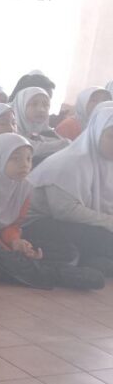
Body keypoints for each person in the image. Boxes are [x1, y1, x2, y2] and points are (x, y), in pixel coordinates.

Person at [0, 132, 102, 290]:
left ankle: (0, 272)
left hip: (2, 240)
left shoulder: (24, 187)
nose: (24, 165)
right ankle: (58, 275)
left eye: (29, 159)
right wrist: (9, 249)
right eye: (15, 159)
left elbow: (13, 225)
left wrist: (16, 242)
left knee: (68, 252)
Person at [23, 105, 113, 276]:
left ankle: (93, 261)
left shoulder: (106, 162)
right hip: (36, 223)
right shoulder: (71, 161)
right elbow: (65, 211)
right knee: (104, 239)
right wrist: (108, 221)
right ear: (96, 132)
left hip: (69, 223)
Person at [12, 86, 69, 165]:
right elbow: (30, 148)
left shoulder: (48, 131)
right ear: (21, 105)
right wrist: (63, 143)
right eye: (34, 104)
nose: (41, 109)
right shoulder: (10, 131)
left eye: (46, 105)